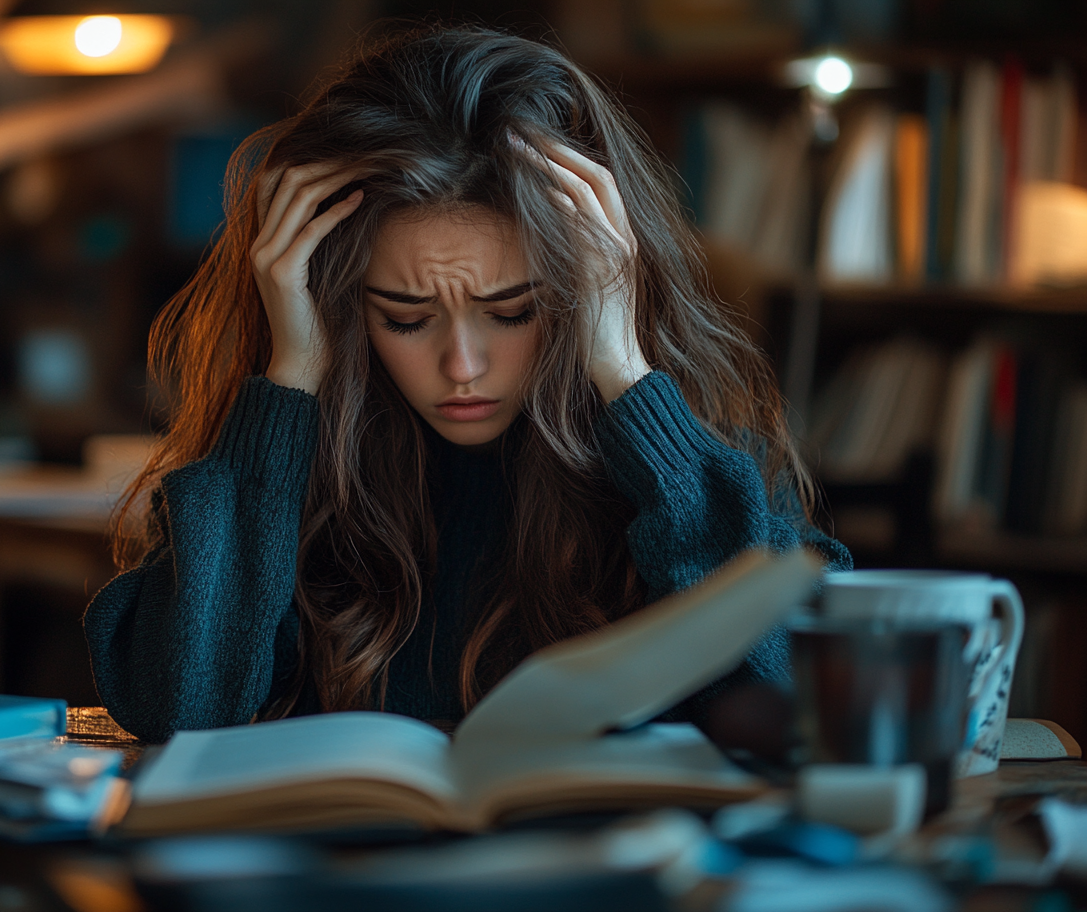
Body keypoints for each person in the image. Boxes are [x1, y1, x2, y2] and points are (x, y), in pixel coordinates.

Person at [84, 25, 851, 744]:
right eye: (407, 319)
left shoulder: (699, 471)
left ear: (589, 289)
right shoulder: (301, 469)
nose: (462, 367)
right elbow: (176, 707)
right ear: (341, 310)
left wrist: (626, 375)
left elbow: (787, 703)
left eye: (513, 312)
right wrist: (288, 383)